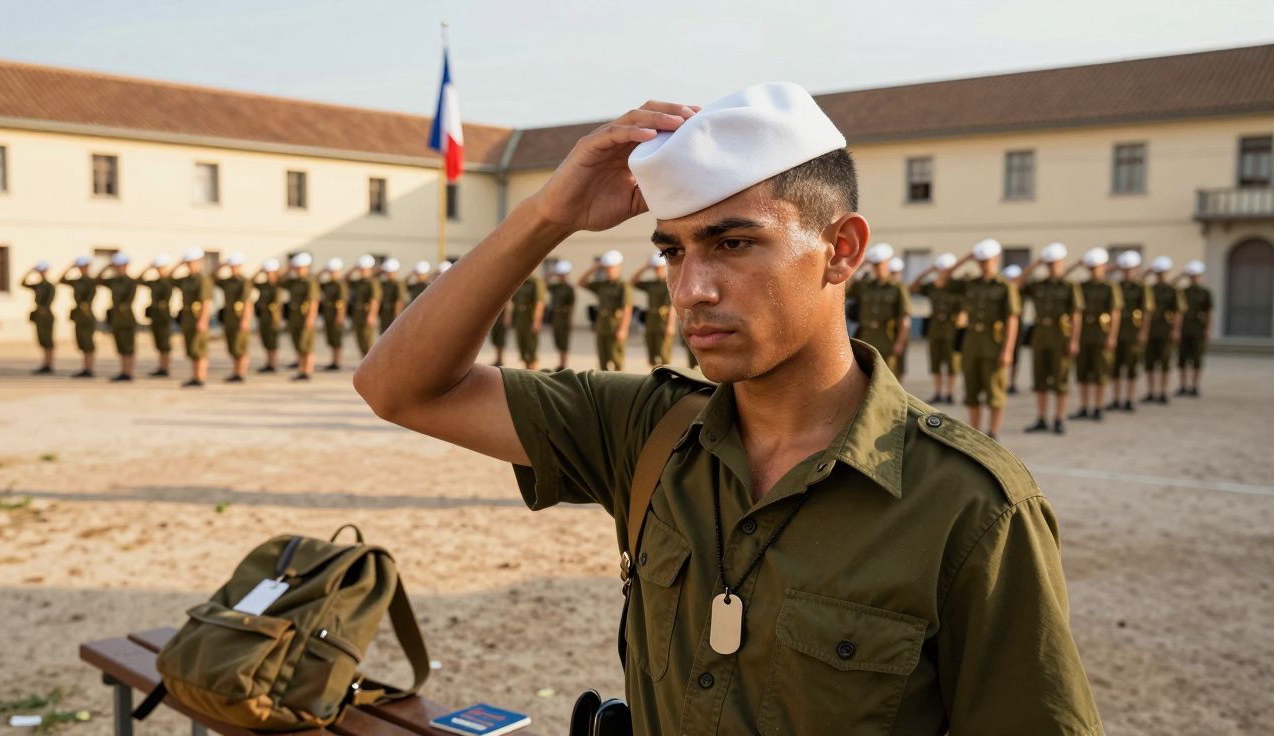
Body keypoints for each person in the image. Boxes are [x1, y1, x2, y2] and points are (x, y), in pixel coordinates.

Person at [353, 84, 1100, 733]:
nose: (691, 290)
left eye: (734, 243)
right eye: (674, 252)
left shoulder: (969, 505)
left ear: (842, 250)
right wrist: (548, 216)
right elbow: (400, 387)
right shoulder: (647, 432)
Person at [946, 240, 1021, 438]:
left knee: (994, 391)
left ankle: (993, 433)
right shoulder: (971, 283)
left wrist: (1008, 350)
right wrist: (965, 259)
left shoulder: (1005, 287)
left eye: (986, 261)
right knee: (971, 389)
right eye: (979, 261)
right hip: (972, 342)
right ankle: (976, 434)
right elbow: (942, 280)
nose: (982, 265)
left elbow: (1012, 319)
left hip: (994, 343)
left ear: (996, 260)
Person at [1016, 243, 1082, 435]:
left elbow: (1076, 315)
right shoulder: (1038, 284)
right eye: (1049, 263)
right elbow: (1017, 284)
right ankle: (1042, 418)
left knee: (1060, 379)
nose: (1052, 266)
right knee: (1040, 379)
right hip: (1040, 335)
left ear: (1061, 263)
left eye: (1054, 263)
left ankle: (1059, 419)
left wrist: (1074, 340)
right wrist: (1034, 265)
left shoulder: (1069, 286)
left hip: (1061, 335)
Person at [1068, 248, 1122, 420]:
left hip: (1101, 334)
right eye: (1090, 267)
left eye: (1096, 267)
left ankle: (1098, 407)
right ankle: (1084, 407)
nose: (1093, 271)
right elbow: (1064, 278)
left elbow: (1115, 313)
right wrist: (1076, 265)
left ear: (1103, 267)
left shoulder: (1110, 287)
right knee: (1082, 372)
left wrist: (1112, 337)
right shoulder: (1081, 287)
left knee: (1100, 373)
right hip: (1084, 334)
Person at [909, 253, 965, 403]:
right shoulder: (932, 286)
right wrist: (927, 271)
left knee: (952, 363)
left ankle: (950, 393)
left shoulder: (958, 285)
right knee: (935, 362)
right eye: (940, 269)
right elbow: (912, 288)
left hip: (952, 329)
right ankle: (938, 392)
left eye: (945, 269)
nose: (942, 272)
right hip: (935, 329)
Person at [849, 243, 910, 379]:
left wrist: (900, 343)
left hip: (887, 338)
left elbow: (904, 319)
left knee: (889, 379)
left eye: (880, 264)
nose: (877, 268)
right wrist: (861, 264)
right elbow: (845, 286)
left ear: (887, 263)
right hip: (865, 337)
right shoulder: (865, 286)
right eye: (874, 264)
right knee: (865, 378)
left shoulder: (897, 287)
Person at [1108, 250, 1153, 412]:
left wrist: (1143, 332)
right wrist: (1113, 267)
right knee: (1115, 368)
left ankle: (1128, 399)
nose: (1127, 272)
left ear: (1136, 269)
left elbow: (1147, 311)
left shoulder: (1141, 287)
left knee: (1131, 367)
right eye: (1124, 269)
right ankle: (1115, 399)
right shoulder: (1116, 286)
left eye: (1130, 269)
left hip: (1133, 332)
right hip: (1118, 332)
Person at [579, 250, 633, 371]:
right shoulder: (602, 284)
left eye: (611, 268)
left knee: (617, 360)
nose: (609, 270)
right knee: (603, 361)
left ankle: (619, 386)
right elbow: (581, 282)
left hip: (615, 326)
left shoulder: (623, 285)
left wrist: (623, 329)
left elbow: (627, 309)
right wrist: (595, 267)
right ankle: (605, 387)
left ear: (618, 268)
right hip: (602, 326)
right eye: (607, 268)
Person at [1143, 256, 1185, 404]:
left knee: (1164, 362)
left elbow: (1179, 312)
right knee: (1149, 363)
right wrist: (1146, 273)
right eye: (1157, 272)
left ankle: (1162, 392)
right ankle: (1150, 391)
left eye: (1162, 273)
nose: (1159, 275)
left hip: (1165, 329)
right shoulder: (1149, 290)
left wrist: (1176, 330)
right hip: (1151, 330)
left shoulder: (1173, 290)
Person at [96, 252, 140, 382]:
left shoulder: (131, 281)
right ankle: (123, 371)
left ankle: (129, 372)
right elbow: (97, 279)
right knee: (121, 346)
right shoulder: (113, 281)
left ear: (126, 266)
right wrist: (107, 266)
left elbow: (129, 299)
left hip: (126, 317)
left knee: (128, 347)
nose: (117, 268)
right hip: (116, 318)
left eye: (119, 265)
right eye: (116, 266)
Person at [175, 248, 213, 387]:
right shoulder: (186, 279)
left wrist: (203, 320)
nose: (189, 265)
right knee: (192, 348)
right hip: (188, 317)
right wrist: (178, 264)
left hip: (198, 317)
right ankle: (194, 376)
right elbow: (168, 278)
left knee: (200, 349)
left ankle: (200, 378)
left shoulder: (202, 279)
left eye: (192, 262)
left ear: (199, 262)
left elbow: (206, 301)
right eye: (187, 262)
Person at [215, 252, 254, 383]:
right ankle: (235, 371)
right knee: (232, 346)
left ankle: (241, 373)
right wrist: (220, 266)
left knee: (240, 346)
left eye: (235, 266)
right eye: (231, 266)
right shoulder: (227, 281)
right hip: (229, 317)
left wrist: (245, 320)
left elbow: (247, 302)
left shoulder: (244, 282)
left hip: (240, 317)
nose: (233, 268)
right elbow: (212, 279)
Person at [1175, 260, 1212, 397]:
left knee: (1197, 359)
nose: (1194, 278)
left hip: (1198, 328)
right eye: (1191, 275)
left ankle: (1195, 386)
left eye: (1196, 275)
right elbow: (1178, 311)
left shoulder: (1205, 292)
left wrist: (1208, 330)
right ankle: (1183, 385)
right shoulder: (1183, 292)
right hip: (1184, 328)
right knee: (1182, 359)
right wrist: (1180, 276)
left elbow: (1209, 312)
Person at [632, 254, 677, 367]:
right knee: (652, 353)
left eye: (660, 268)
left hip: (664, 321)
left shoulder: (670, 283)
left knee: (664, 354)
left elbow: (673, 305)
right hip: (651, 320)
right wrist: (646, 267)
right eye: (655, 268)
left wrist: (671, 325)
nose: (657, 271)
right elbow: (632, 281)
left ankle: (667, 378)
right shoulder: (651, 284)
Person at [58, 255, 97, 378]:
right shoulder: (77, 281)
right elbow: (61, 280)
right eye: (80, 267)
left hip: (87, 315)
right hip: (78, 315)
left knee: (88, 343)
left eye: (84, 266)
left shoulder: (91, 281)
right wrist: (70, 267)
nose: (82, 269)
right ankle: (85, 368)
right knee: (81, 342)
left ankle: (89, 368)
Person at [285, 252, 320, 381]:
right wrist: (288, 267)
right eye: (296, 267)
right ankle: (301, 370)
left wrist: (311, 318)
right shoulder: (294, 281)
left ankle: (307, 371)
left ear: (306, 268)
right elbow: (278, 281)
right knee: (299, 344)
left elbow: (313, 301)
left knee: (307, 345)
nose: (298, 270)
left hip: (306, 317)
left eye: (300, 268)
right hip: (295, 317)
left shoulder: (310, 282)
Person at [140, 254, 176, 378]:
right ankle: (161, 367)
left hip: (163, 316)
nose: (159, 270)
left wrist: (171, 269)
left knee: (165, 343)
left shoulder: (169, 281)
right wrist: (148, 267)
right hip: (155, 315)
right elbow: (139, 280)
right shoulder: (154, 282)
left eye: (161, 268)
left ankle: (165, 367)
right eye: (158, 268)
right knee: (159, 342)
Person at [21, 260, 56, 374]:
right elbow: (22, 283)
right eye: (40, 271)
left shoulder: (50, 286)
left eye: (43, 271)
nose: (42, 273)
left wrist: (43, 310)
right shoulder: (38, 285)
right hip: (38, 315)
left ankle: (49, 364)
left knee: (48, 341)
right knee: (42, 340)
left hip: (46, 315)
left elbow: (49, 300)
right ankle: (45, 363)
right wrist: (31, 271)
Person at [510, 269, 548, 370]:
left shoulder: (536, 281)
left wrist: (536, 321)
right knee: (522, 345)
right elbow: (513, 300)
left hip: (530, 318)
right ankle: (527, 371)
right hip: (519, 317)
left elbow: (540, 302)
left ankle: (533, 375)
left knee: (531, 348)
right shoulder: (520, 281)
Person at [252, 259, 283, 373]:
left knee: (272, 341)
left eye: (271, 272)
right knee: (265, 340)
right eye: (267, 272)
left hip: (272, 317)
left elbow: (276, 304)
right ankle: (268, 362)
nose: (268, 275)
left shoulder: (277, 286)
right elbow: (250, 282)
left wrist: (275, 320)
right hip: (263, 315)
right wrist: (259, 271)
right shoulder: (263, 285)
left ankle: (273, 363)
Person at [347, 255, 382, 358]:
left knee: (368, 340)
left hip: (367, 313)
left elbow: (375, 300)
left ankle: (371, 363)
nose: (362, 272)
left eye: (364, 269)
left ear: (369, 270)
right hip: (358, 314)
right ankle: (364, 361)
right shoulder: (359, 282)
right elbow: (345, 279)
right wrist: (354, 267)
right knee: (360, 339)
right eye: (361, 269)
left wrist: (372, 315)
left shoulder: (373, 282)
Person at [319, 258, 348, 371]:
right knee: (331, 338)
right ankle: (333, 361)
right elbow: (315, 280)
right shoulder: (328, 284)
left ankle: (337, 362)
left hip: (336, 315)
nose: (332, 273)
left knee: (337, 339)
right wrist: (323, 270)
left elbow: (342, 301)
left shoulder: (340, 284)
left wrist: (340, 316)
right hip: (328, 314)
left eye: (333, 271)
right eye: (330, 271)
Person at [547, 260, 576, 371]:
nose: (561, 277)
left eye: (563, 274)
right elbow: (544, 283)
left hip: (564, 317)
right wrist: (553, 272)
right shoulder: (555, 287)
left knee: (564, 341)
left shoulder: (569, 288)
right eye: (560, 274)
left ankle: (563, 364)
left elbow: (572, 305)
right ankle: (560, 363)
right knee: (557, 340)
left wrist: (570, 320)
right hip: (555, 317)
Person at [1001, 263, 1026, 394]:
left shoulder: (1022, 292)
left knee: (1015, 356)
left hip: (1018, 327)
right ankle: (1004, 382)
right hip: (1001, 327)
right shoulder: (1002, 290)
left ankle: (1012, 382)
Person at [378, 258, 407, 334]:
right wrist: (379, 270)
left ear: (394, 272)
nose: (388, 274)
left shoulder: (398, 283)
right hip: (384, 312)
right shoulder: (384, 283)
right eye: (387, 273)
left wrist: (397, 314)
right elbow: (373, 278)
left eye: (390, 272)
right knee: (383, 334)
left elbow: (400, 299)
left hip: (393, 312)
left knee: (393, 334)